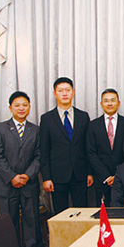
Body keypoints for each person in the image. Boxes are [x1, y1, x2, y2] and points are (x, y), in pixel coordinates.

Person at [0, 91, 45, 247]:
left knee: (32, 221)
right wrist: (12, 177)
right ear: (10, 108)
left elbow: (39, 156)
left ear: (29, 107)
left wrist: (27, 175)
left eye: (25, 105)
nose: (21, 108)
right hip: (6, 185)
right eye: (17, 105)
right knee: (9, 223)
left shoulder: (36, 130)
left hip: (29, 184)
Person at [40, 77, 93, 214]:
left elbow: (88, 147)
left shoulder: (83, 116)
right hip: (57, 175)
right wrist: (46, 177)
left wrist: (89, 172)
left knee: (82, 212)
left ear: (73, 92)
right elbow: (44, 150)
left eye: (68, 90)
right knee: (60, 212)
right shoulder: (46, 119)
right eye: (61, 90)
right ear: (55, 93)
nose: (64, 93)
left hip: (80, 173)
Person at [87, 89, 124, 207]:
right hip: (101, 179)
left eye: (113, 100)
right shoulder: (93, 125)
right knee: (103, 215)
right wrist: (106, 176)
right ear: (101, 104)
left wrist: (118, 175)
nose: (109, 103)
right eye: (106, 101)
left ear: (119, 103)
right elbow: (91, 153)